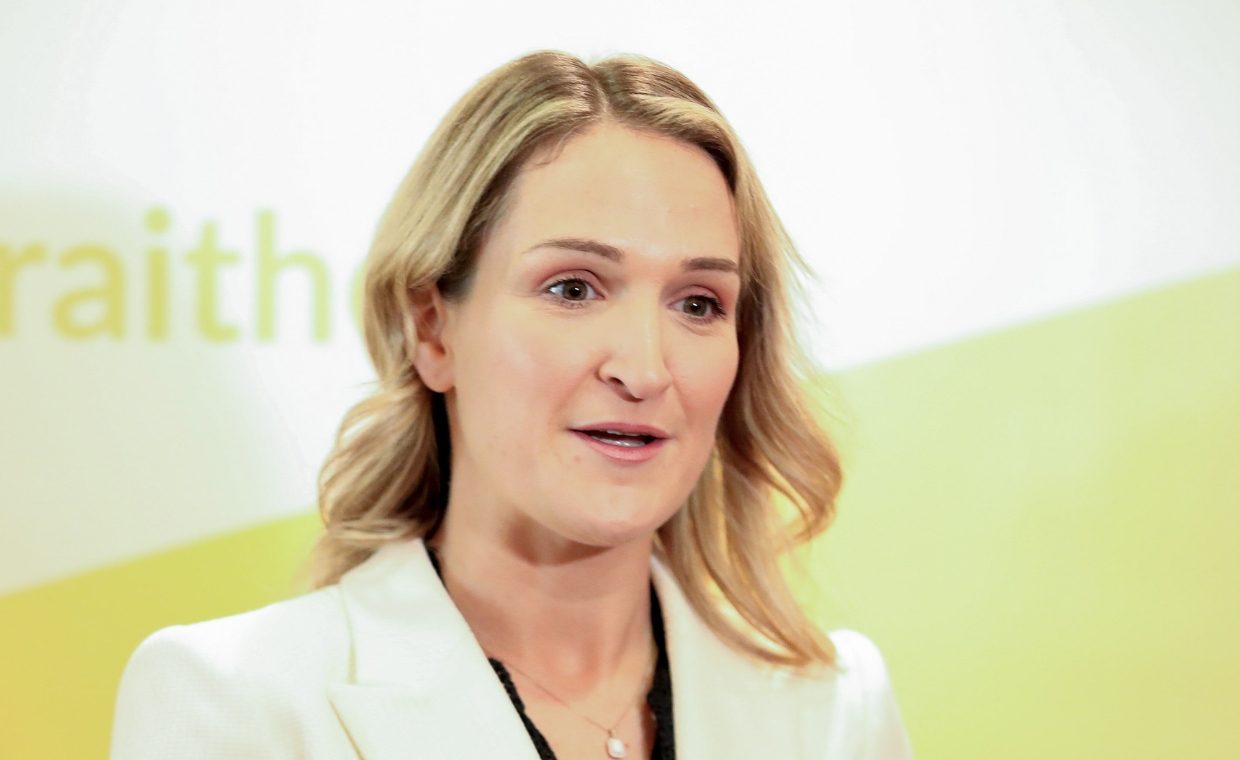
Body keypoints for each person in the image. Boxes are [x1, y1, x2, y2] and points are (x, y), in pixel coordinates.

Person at [111, 50, 914, 759]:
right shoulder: (234, 702)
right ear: (432, 328)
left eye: (699, 303)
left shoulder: (834, 712)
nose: (644, 367)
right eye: (573, 288)